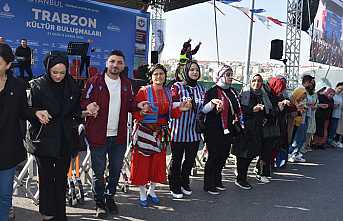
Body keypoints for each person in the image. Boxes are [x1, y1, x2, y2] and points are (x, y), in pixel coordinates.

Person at [27, 52, 96, 221]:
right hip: (44, 141)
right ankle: (47, 215)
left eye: (62, 73)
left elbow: (73, 112)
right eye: (54, 72)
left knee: (60, 181)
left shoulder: (72, 85)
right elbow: (25, 111)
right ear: (48, 69)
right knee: (46, 181)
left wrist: (85, 112)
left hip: (65, 140)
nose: (58, 76)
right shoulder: (36, 85)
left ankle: (60, 215)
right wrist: (36, 112)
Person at [80, 50, 148, 218]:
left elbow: (130, 104)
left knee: (116, 170)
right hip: (98, 135)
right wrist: (88, 106)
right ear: (106, 63)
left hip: (118, 136)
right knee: (98, 172)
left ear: (123, 65)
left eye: (119, 62)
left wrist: (139, 106)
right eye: (112, 61)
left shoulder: (126, 84)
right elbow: (83, 100)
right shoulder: (94, 81)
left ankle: (110, 197)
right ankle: (99, 202)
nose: (115, 65)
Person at [130, 64, 191, 207]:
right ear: (150, 77)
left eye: (161, 74)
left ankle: (152, 190)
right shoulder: (143, 91)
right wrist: (141, 112)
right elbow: (133, 109)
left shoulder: (169, 92)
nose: (159, 76)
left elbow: (172, 113)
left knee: (158, 163)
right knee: (142, 163)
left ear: (165, 76)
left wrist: (180, 109)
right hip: (144, 131)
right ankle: (142, 192)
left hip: (162, 132)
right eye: (156, 74)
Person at [0, 44, 48, 221]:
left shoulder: (18, 86)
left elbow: (23, 111)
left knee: (5, 196)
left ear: (8, 65)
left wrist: (35, 112)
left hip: (7, 149)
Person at [202, 65, 243, 194]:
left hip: (228, 130)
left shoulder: (233, 92)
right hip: (213, 130)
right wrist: (215, 108)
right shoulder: (212, 91)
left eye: (232, 74)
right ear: (220, 76)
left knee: (223, 156)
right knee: (213, 156)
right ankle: (208, 184)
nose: (231, 77)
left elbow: (237, 108)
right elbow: (203, 110)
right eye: (228, 74)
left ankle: (217, 179)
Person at [168, 61, 206, 198]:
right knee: (176, 160)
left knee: (190, 160)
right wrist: (181, 105)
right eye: (192, 70)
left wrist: (214, 104)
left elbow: (204, 108)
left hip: (194, 132)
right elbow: (170, 104)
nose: (195, 72)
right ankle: (174, 185)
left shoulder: (202, 88)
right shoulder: (177, 86)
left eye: (197, 70)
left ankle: (185, 182)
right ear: (186, 71)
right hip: (178, 130)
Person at [327, 82, 343, 148]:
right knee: (330, 128)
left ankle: (330, 141)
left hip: (337, 115)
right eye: (339, 88)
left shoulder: (341, 96)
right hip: (331, 114)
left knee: (333, 129)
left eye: (342, 89)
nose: (340, 90)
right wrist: (333, 106)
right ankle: (327, 141)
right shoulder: (332, 94)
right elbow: (328, 103)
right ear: (336, 87)